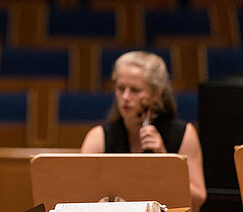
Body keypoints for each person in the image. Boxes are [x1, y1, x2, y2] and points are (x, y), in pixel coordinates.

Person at [81, 51, 206, 212]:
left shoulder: (183, 134)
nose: (125, 97)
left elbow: (197, 201)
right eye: (120, 88)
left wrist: (165, 160)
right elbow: (81, 197)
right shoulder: (98, 137)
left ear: (156, 94)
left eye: (135, 90)